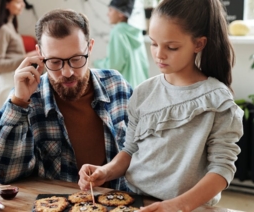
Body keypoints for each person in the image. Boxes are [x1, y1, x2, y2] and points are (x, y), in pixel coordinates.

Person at [78, 0, 244, 211]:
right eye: (154, 43)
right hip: (135, 202)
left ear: (199, 44)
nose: (158, 54)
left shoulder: (218, 100)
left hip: (189, 208)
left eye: (171, 47)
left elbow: (222, 169)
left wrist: (178, 206)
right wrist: (106, 171)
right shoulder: (143, 92)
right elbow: (130, 150)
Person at [0, 8, 133, 191]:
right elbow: (4, 173)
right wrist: (19, 102)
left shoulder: (117, 86)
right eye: (55, 62)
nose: (67, 72)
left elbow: (143, 152)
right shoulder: (28, 99)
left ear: (90, 47)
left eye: (77, 59)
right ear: (40, 54)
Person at [0, 0, 37, 112]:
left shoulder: (11, 27)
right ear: (6, 4)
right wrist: (26, 57)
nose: (23, 4)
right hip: (4, 82)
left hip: (12, 80)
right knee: (9, 123)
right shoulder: (2, 30)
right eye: (18, 2)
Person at [93, 0, 149, 89]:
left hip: (126, 89)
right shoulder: (137, 33)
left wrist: (97, 63)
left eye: (110, 10)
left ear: (121, 14)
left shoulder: (118, 31)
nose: (108, 14)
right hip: (141, 87)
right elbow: (145, 65)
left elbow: (114, 66)